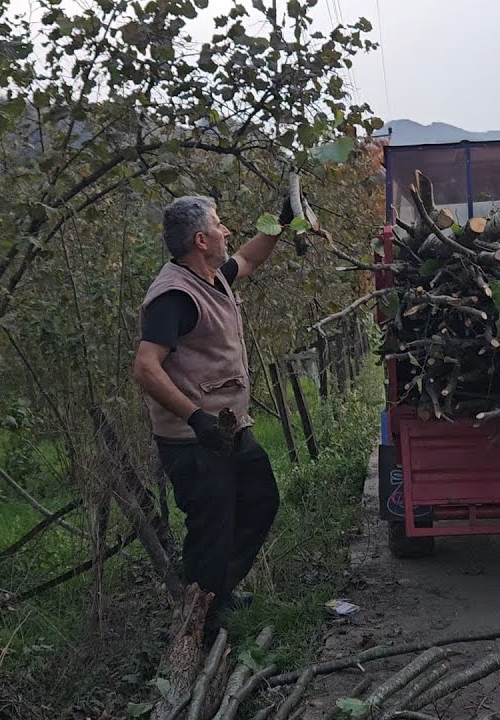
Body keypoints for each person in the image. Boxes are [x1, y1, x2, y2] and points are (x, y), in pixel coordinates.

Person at [132, 194, 291, 643]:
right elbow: (145, 367)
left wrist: (282, 222)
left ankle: (215, 593)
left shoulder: (211, 277)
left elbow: (249, 259)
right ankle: (199, 626)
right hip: (194, 438)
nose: (227, 232)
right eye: (219, 225)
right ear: (201, 240)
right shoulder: (174, 297)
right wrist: (195, 419)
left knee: (260, 500)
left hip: (229, 428)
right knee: (211, 528)